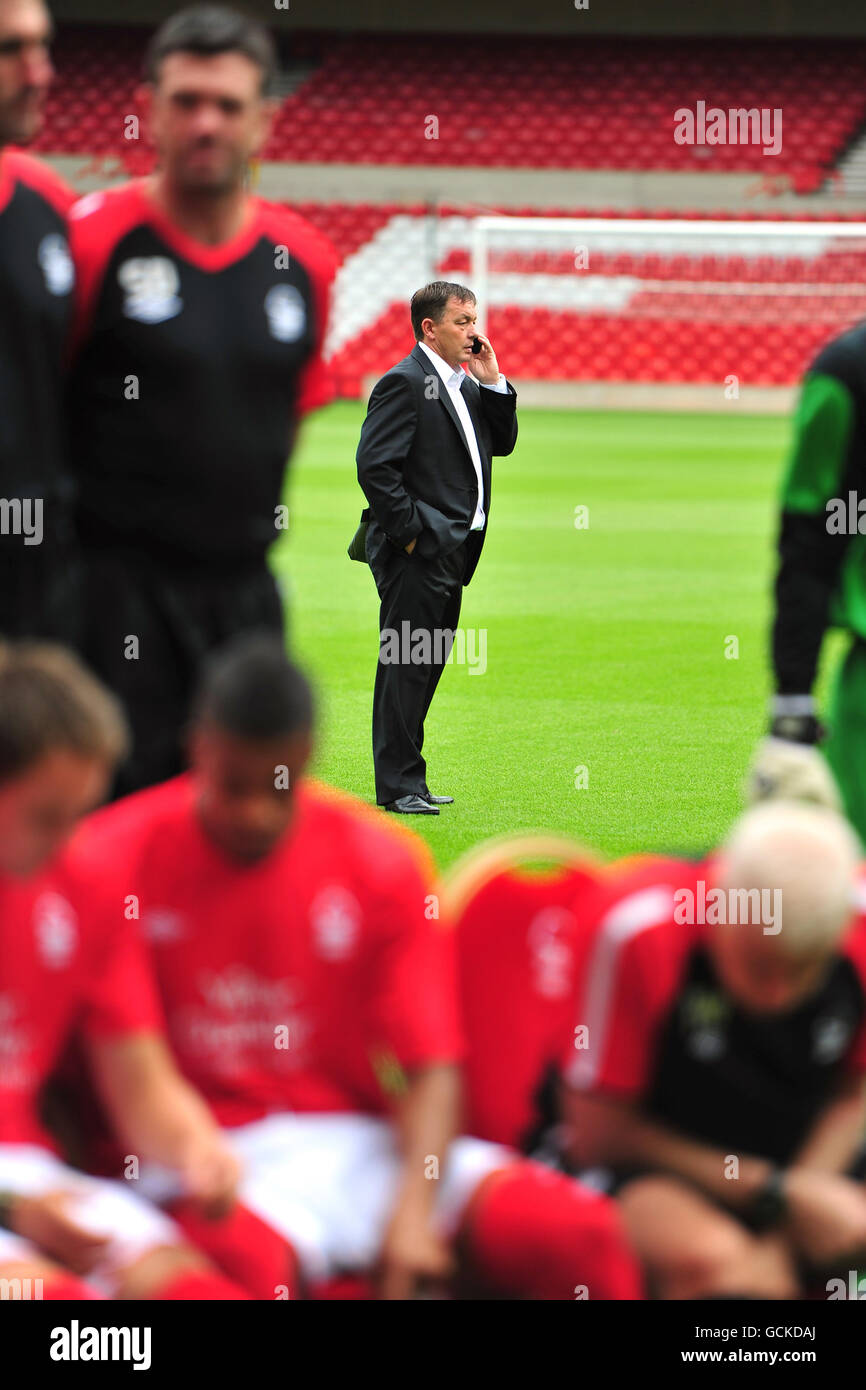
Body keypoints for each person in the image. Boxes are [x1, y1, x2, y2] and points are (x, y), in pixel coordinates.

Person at [73, 634, 642, 1300]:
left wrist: (413, 1210)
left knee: (579, 1234)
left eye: (276, 788)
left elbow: (431, 1064)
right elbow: (125, 1073)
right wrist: (185, 1156)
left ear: (308, 756)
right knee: (240, 1268)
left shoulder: (379, 861)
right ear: (197, 747)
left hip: (357, 1145)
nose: (255, 811)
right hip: (202, 1157)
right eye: (233, 786)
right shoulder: (110, 858)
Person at [65, 4, 337, 796]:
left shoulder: (305, 263)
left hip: (245, 601)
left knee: (245, 824)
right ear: (149, 109)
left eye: (228, 105)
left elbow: (281, 421)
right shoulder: (94, 243)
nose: (206, 123)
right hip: (111, 598)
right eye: (186, 101)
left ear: (264, 122)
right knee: (112, 825)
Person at [0, 641, 250, 1299]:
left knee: (194, 1292)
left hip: (34, 1178)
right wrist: (10, 1207)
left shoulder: (84, 884)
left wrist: (197, 1147)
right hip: (17, 1199)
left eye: (80, 814)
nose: (69, 841)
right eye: (47, 817)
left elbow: (140, 1083)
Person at [561, 802, 866, 1299]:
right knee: (720, 1269)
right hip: (650, 1163)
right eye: (758, 965)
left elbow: (851, 1094)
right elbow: (597, 1136)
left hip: (803, 1158)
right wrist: (777, 1194)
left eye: (802, 970)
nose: (777, 996)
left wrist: (791, 1213)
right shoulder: (636, 928)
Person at [355, 281, 517, 814]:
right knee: (403, 665)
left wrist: (493, 382)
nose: (475, 332)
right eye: (463, 322)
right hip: (419, 552)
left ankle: (412, 780)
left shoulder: (466, 384)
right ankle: (397, 786)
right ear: (430, 327)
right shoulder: (404, 382)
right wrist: (411, 535)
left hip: (455, 552)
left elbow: (504, 443)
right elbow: (376, 468)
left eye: (474, 320)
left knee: (425, 665)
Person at [756, 318, 866, 839]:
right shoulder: (848, 372)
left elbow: (808, 538)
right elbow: (811, 537)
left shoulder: (845, 368)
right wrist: (793, 698)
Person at [0, 0, 79, 641]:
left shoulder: (47, 204)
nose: (40, 72)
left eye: (41, 46)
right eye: (10, 50)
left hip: (31, 579)